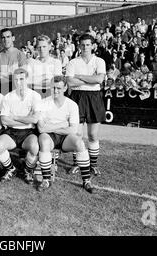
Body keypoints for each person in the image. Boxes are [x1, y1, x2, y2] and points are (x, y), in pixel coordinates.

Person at [37, 76, 93, 193]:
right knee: (44, 141)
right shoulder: (43, 103)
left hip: (65, 138)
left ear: (65, 88)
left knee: (79, 143)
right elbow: (41, 129)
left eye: (59, 88)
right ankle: (46, 180)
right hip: (49, 137)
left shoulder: (72, 105)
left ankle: (86, 180)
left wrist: (51, 127)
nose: (55, 91)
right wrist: (63, 124)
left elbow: (73, 130)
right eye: (53, 88)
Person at [66, 33, 106, 176]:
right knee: (77, 134)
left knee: (93, 135)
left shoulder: (99, 61)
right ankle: (77, 163)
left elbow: (100, 79)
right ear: (79, 46)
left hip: (94, 97)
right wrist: (91, 79)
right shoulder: (73, 62)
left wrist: (80, 77)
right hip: (77, 97)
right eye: (83, 45)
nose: (85, 47)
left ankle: (93, 165)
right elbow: (70, 82)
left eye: (88, 44)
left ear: (93, 45)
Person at [0, 68, 41, 184]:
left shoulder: (35, 96)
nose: (19, 82)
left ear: (27, 79)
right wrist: (26, 120)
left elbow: (35, 119)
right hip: (12, 131)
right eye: (16, 80)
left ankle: (27, 169)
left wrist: (14, 117)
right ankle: (11, 169)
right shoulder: (8, 97)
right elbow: (4, 120)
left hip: (29, 132)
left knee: (35, 147)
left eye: (21, 79)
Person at [0, 28, 27, 94]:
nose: (6, 39)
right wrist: (12, 75)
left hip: (16, 92)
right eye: (3, 37)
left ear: (13, 38)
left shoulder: (20, 55)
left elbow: (21, 76)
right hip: (0, 92)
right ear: (1, 39)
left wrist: (0, 74)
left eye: (8, 37)